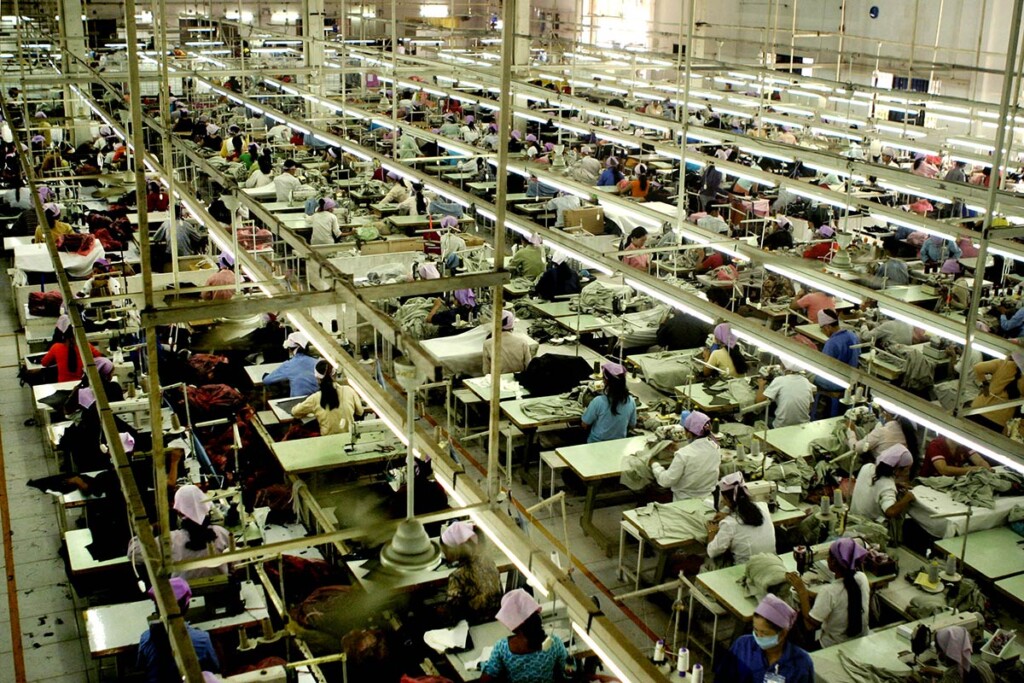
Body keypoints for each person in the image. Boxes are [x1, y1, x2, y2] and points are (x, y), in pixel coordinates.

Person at [787, 537, 870, 648]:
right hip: (859, 639)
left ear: (833, 562)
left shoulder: (829, 591)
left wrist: (802, 592)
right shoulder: (861, 578)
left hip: (834, 645)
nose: (827, 558)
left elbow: (809, 625)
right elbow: (839, 601)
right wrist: (807, 592)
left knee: (793, 625)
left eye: (829, 556)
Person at [137, 577, 221, 682]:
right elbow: (214, 667)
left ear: (156, 608)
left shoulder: (145, 639)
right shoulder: (202, 639)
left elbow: (141, 668)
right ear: (187, 606)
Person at [717, 594, 815, 683]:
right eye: (755, 630)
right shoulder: (742, 645)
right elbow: (722, 678)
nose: (758, 637)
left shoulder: (801, 663)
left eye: (764, 633)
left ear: (783, 633)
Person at [480, 589, 568, 683]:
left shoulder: (502, 648)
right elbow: (569, 670)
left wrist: (484, 666)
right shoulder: (554, 643)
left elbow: (486, 679)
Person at [440, 521, 502, 625]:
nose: (444, 554)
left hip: (473, 628)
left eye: (445, 551)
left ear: (454, 550)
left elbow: (452, 615)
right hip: (495, 624)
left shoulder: (457, 576)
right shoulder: (490, 563)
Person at [706, 473, 776, 566]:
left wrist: (711, 531)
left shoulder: (729, 523)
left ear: (726, 498)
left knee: (708, 564)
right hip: (772, 562)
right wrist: (728, 512)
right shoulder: (763, 507)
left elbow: (712, 552)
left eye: (723, 498)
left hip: (747, 569)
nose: (722, 500)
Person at [651, 411, 721, 501]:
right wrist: (678, 451)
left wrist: (654, 465)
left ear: (688, 433)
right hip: (709, 499)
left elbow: (666, 481)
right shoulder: (716, 447)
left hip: (684, 501)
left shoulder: (683, 455)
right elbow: (698, 458)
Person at [290, 361, 363, 435]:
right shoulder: (349, 390)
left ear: (317, 379)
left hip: (328, 440)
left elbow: (295, 412)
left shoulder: (315, 398)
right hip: (349, 437)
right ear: (335, 375)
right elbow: (360, 412)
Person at [850, 444, 917, 522]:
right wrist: (907, 498)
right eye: (906, 469)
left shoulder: (867, 467)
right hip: (868, 526)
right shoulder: (888, 485)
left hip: (853, 517)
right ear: (897, 469)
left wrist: (895, 485)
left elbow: (872, 487)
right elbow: (890, 511)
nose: (908, 473)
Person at [816, 309, 860, 417]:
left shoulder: (831, 343)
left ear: (827, 327)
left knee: (809, 375)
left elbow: (823, 366)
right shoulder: (853, 336)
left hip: (837, 383)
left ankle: (818, 412)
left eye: (823, 329)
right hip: (853, 379)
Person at [581, 362, 637, 443]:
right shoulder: (631, 401)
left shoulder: (598, 401)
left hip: (596, 444)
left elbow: (584, 424)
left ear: (605, 381)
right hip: (618, 444)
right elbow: (632, 425)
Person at [41, 315, 104, 382]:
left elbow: (44, 363)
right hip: (81, 384)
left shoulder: (56, 347)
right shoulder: (86, 346)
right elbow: (101, 357)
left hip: (62, 384)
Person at [970, 351, 1024, 429]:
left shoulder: (1002, 364)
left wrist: (985, 385)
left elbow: (978, 367)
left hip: (979, 407)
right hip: (999, 418)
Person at [757, 362, 815, 428]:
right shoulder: (806, 381)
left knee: (753, 416)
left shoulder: (779, 380)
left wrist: (761, 385)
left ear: (784, 367)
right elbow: (810, 406)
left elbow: (759, 400)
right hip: (803, 425)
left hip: (781, 427)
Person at [849, 404, 915, 460]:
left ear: (885, 414)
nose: (880, 415)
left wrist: (851, 431)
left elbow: (855, 448)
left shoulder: (881, 432)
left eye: (881, 412)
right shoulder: (905, 429)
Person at [264, 332, 320, 397]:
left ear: (290, 350)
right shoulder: (317, 362)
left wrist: (266, 375)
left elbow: (267, 380)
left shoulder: (289, 365)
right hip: (317, 401)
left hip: (298, 403)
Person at [482, 310, 535, 375]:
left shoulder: (487, 343)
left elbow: (486, 370)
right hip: (517, 379)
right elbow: (528, 365)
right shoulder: (523, 342)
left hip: (498, 380)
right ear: (512, 325)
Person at [920, 436, 991, 477]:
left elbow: (979, 461)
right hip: (929, 483)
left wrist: (986, 468)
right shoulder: (936, 445)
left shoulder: (962, 445)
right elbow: (943, 470)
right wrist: (972, 469)